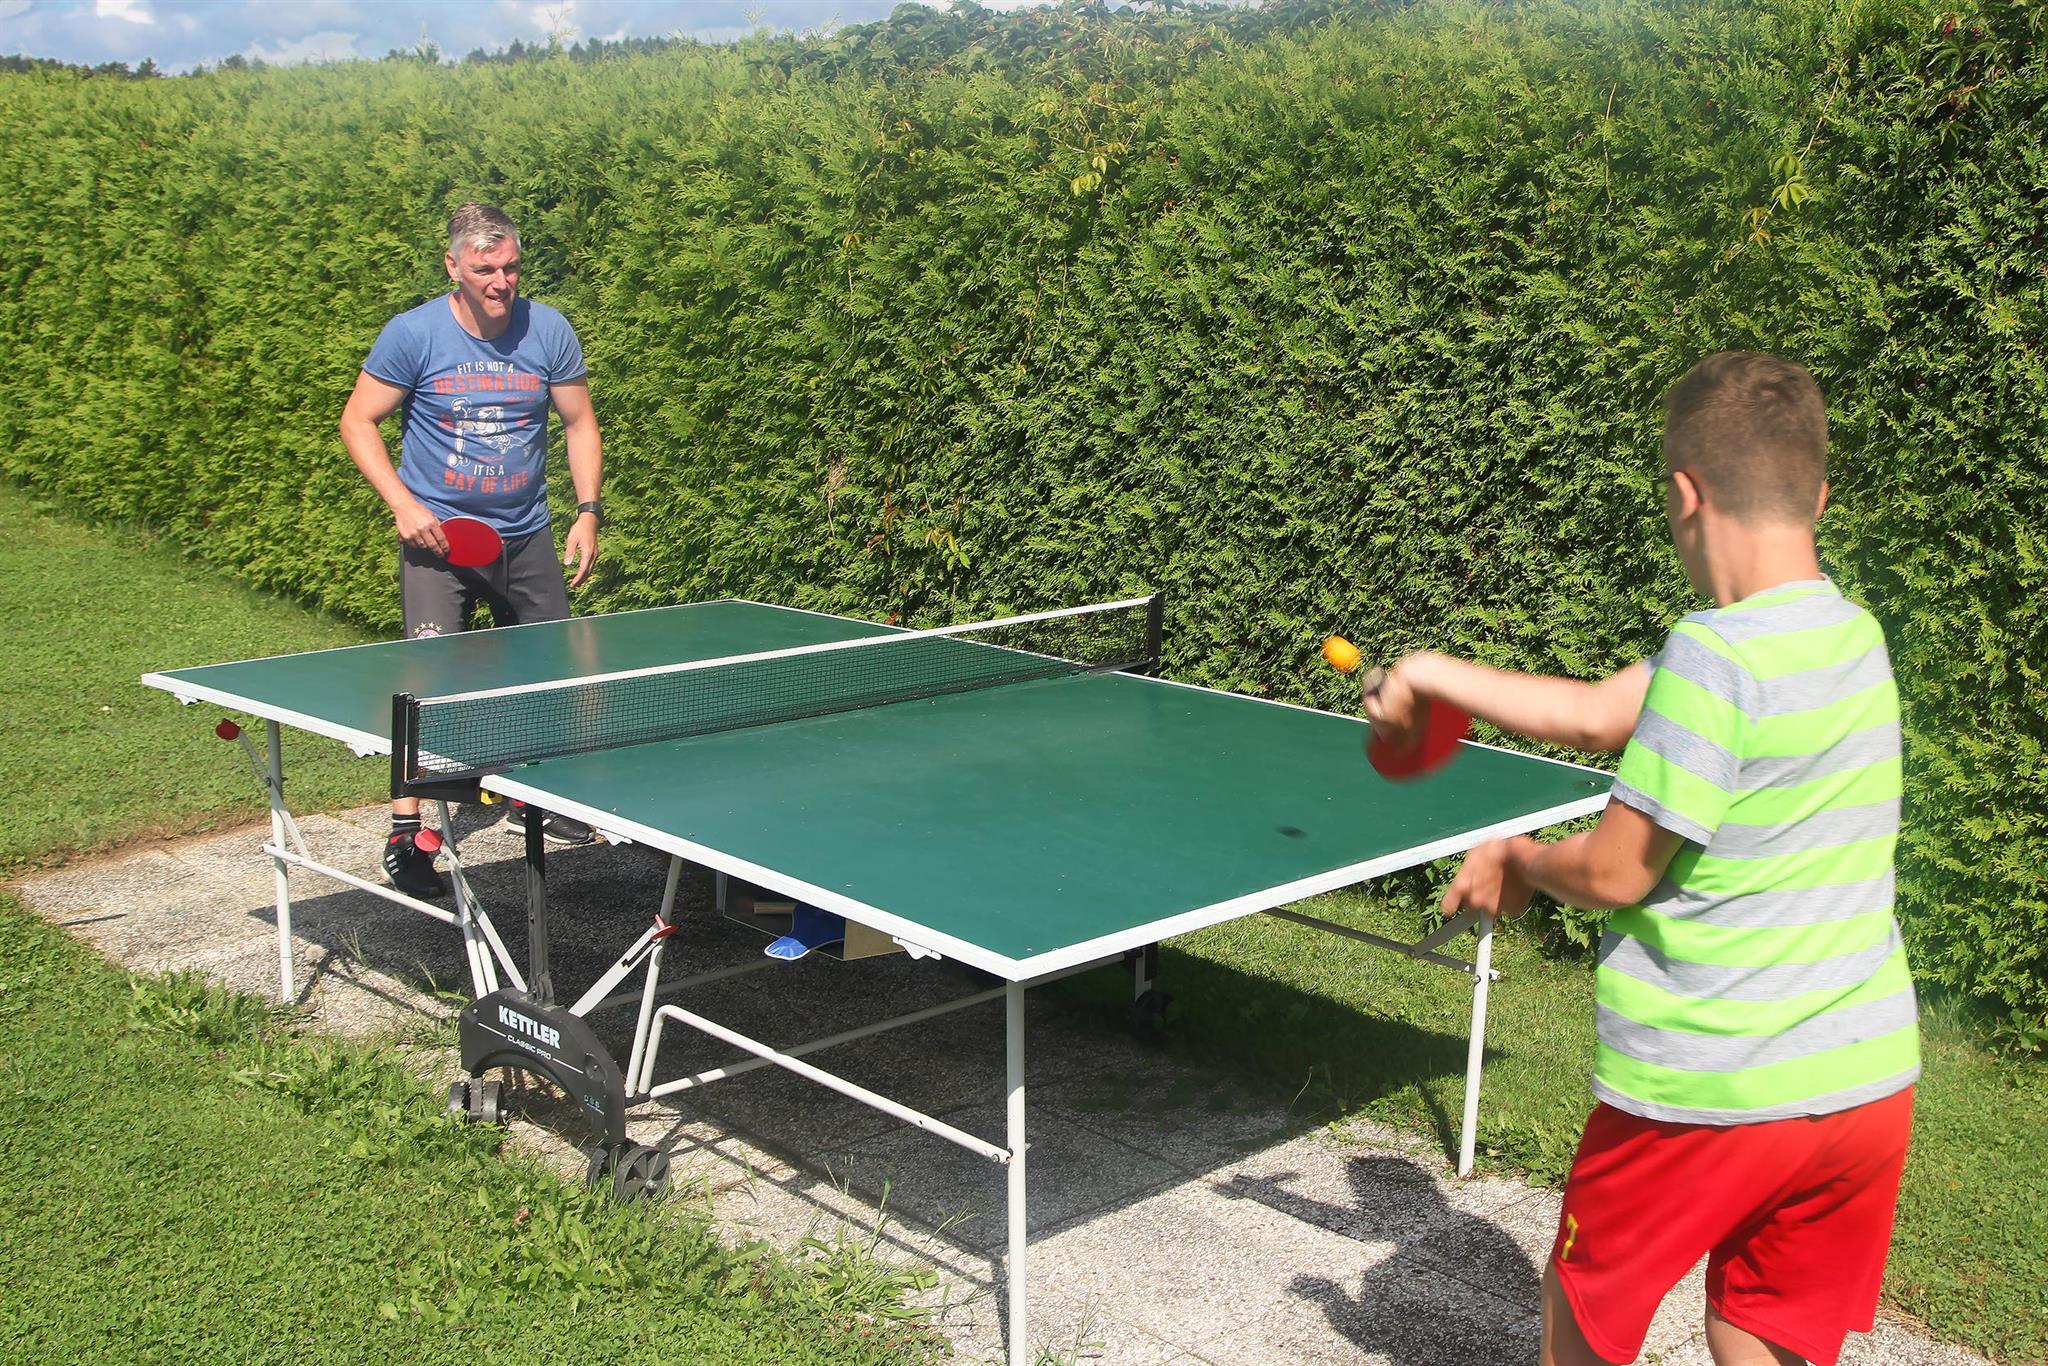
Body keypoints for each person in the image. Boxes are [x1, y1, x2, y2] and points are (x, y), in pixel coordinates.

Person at [1365, 352, 1918, 1366]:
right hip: (1863, 1084)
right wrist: (1430, 674)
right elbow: (1594, 712)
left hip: (1712, 1087)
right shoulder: (1850, 636)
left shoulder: (1714, 657)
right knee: (1758, 1321)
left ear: (1683, 495)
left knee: (1582, 1309)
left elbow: (1618, 871)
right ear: (1817, 495)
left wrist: (1519, 860)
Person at [339, 202, 605, 898]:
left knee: (547, 672)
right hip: (440, 544)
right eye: (485, 269)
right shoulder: (413, 335)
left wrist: (587, 512)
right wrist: (405, 506)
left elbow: (579, 423)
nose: (501, 281)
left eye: (511, 267)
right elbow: (358, 421)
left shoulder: (549, 330)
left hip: (526, 536)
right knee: (426, 688)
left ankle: (534, 796)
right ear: (454, 266)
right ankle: (406, 834)